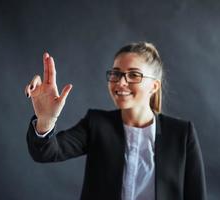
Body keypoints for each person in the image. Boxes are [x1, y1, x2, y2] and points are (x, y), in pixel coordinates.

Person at [24, 42, 207, 200]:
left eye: (134, 75)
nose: (120, 83)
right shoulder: (96, 123)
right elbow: (46, 153)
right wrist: (46, 120)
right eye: (116, 74)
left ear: (154, 86)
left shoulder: (182, 134)